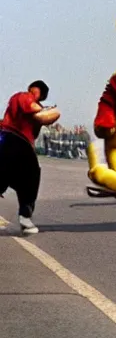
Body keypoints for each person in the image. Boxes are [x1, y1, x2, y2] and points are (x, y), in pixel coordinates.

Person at [0, 81, 60, 235]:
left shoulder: (34, 110)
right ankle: (25, 218)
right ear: (35, 89)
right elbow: (34, 109)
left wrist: (48, 113)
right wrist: (47, 110)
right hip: (13, 139)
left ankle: (25, 217)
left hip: (21, 144)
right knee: (26, 175)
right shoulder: (23, 96)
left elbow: (35, 132)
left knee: (23, 179)